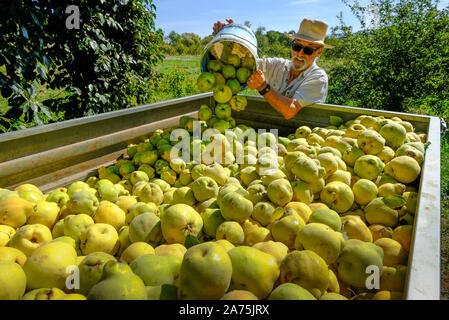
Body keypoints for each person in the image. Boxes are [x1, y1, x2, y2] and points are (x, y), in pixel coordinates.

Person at [212, 18, 334, 120]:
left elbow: (289, 111)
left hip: (301, 141)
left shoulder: (318, 78)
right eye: (297, 46)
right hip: (271, 132)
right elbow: (241, 64)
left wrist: (263, 87)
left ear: (319, 52)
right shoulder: (277, 65)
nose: (300, 54)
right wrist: (229, 37)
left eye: (308, 50)